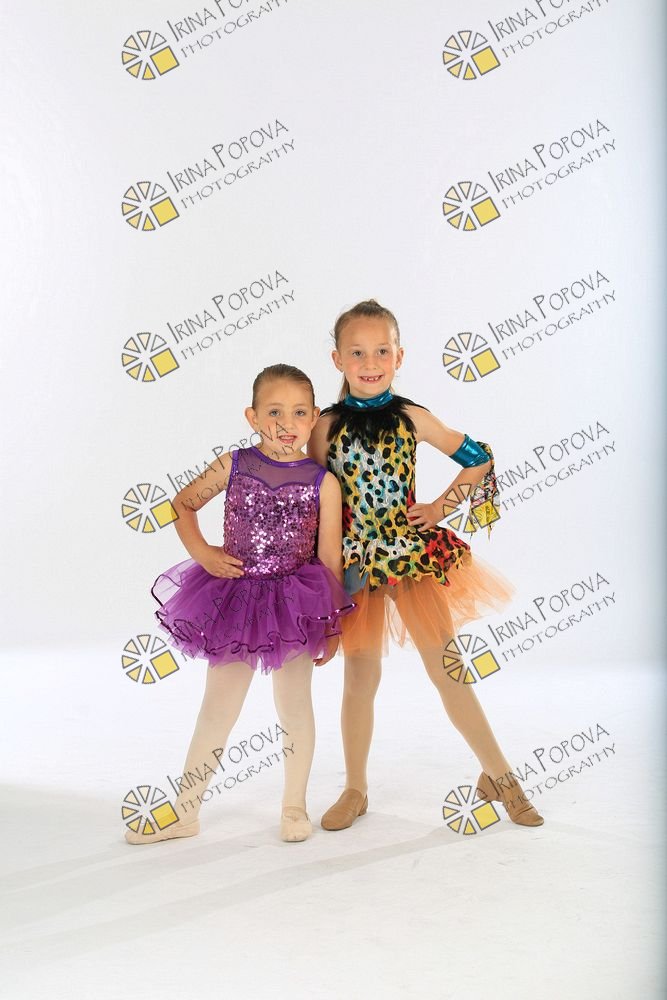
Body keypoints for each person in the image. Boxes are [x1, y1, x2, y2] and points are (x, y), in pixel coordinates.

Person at [307, 300, 544, 831]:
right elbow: (315, 500)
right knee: (359, 678)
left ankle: (500, 777)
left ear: (400, 356)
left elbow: (478, 457)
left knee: (448, 670)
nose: (371, 362)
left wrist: (438, 508)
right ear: (338, 359)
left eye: (382, 351)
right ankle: (355, 788)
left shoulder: (412, 417)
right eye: (357, 353)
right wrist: (321, 578)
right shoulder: (325, 427)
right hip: (355, 564)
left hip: (410, 557)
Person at [124, 364, 356, 846]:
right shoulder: (233, 464)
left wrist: (330, 626)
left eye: (298, 413)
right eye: (274, 412)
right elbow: (183, 504)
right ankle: (186, 811)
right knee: (217, 708)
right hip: (234, 601)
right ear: (252, 417)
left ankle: (294, 806)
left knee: (295, 707)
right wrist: (204, 554)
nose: (286, 424)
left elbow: (330, 558)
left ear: (314, 418)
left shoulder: (324, 483)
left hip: (294, 606)